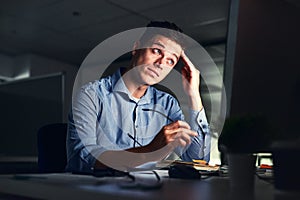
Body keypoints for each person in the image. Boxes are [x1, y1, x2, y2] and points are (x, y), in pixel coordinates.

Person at [66, 21, 211, 173]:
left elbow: (198, 160)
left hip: (149, 191)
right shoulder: (92, 95)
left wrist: (194, 94)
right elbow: (81, 159)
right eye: (156, 51)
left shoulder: (167, 104)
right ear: (136, 48)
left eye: (170, 61)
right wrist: (149, 152)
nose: (161, 63)